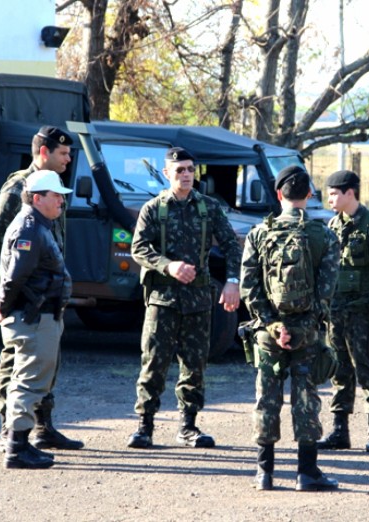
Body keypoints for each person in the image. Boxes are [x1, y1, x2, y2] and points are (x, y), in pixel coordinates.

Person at [127, 147, 242, 449]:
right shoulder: (153, 209)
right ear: (167, 174)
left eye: (190, 169)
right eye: (180, 170)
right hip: (162, 300)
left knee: (195, 365)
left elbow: (232, 245)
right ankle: (144, 426)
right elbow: (138, 249)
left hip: (198, 302)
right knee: (153, 364)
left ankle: (188, 426)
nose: (187, 174)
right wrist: (169, 266)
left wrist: (232, 282)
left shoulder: (209, 208)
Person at [240, 165, 340, 491]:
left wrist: (272, 326)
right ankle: (306, 472)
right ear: (309, 195)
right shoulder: (324, 236)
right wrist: (305, 327)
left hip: (270, 334)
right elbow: (326, 293)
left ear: (279, 194)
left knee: (267, 398)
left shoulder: (258, 234)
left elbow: (249, 288)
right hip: (307, 332)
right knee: (306, 398)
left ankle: (264, 472)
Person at [0, 126, 83, 452]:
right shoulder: (20, 186)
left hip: (45, 286)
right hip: (22, 289)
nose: (69, 159)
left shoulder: (54, 189)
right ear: (44, 153)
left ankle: (42, 427)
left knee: (44, 358)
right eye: (63, 153)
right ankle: (9, 430)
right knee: (17, 360)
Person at [317, 170, 369, 453]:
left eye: (333, 193)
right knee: (339, 370)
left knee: (366, 369)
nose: (329, 198)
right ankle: (340, 430)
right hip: (337, 313)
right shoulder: (333, 225)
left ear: (349, 193)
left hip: (363, 312)